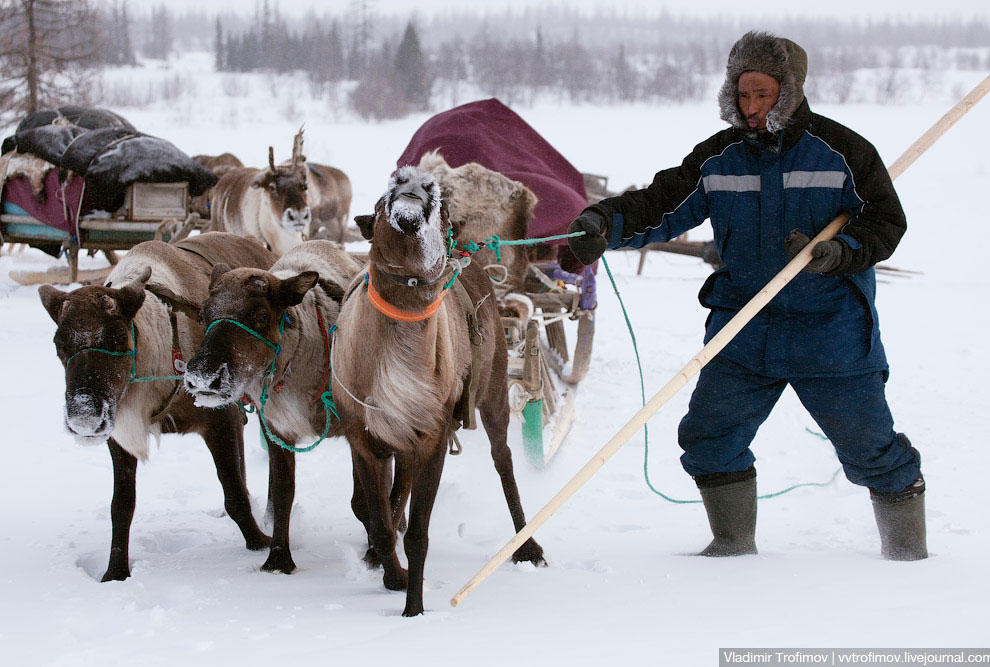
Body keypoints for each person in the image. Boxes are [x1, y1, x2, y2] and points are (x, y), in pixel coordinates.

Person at [568, 31, 926, 560]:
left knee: (870, 449)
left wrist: (838, 252)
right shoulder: (720, 158)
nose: (752, 107)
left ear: (789, 90)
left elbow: (885, 221)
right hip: (744, 328)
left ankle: (908, 559)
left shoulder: (842, 152)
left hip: (831, 331)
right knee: (709, 438)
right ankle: (732, 551)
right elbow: (662, 204)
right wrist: (605, 222)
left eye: (763, 94)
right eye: (742, 94)